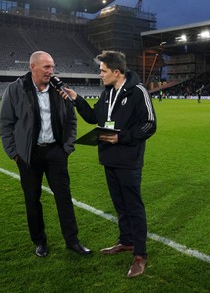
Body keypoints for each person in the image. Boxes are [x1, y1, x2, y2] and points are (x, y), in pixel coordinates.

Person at [61, 50, 157, 278]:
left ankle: (140, 255)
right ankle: (126, 241)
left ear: (116, 72)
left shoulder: (137, 91)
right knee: (120, 204)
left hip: (128, 160)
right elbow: (94, 117)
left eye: (103, 71)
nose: (100, 75)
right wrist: (77, 99)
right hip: (108, 159)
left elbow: (149, 125)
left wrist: (121, 137)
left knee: (133, 207)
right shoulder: (106, 93)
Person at [0, 51, 91, 258]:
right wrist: (14, 153)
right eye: (46, 67)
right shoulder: (16, 89)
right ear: (33, 67)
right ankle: (39, 242)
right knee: (32, 200)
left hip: (56, 152)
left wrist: (66, 147)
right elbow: (5, 123)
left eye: (52, 67)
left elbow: (71, 120)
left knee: (64, 198)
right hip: (28, 155)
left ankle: (72, 240)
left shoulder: (60, 90)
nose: (51, 71)